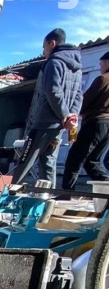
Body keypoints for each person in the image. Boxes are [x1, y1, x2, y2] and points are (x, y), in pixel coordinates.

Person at [12, 28, 82, 187]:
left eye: (44, 47)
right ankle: (45, 196)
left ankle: (10, 193)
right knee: (48, 160)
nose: (43, 52)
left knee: (26, 159)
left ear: (52, 43)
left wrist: (65, 115)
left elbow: (53, 91)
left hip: (44, 122)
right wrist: (71, 116)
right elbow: (79, 95)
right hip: (60, 125)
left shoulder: (54, 62)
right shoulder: (77, 69)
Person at [62, 51, 109, 192]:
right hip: (107, 125)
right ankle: (106, 192)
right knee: (92, 161)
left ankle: (66, 193)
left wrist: (74, 113)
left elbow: (85, 100)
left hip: (96, 122)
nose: (100, 67)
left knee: (74, 159)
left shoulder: (103, 79)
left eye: (101, 64)